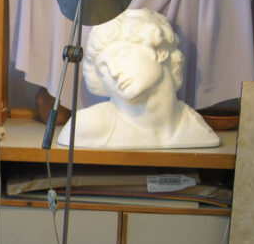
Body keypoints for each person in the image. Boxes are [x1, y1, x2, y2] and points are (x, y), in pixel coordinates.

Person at [57, 8, 220, 149]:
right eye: (103, 68)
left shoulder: (195, 128)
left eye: (122, 55)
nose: (114, 72)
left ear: (160, 52)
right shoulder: (87, 127)